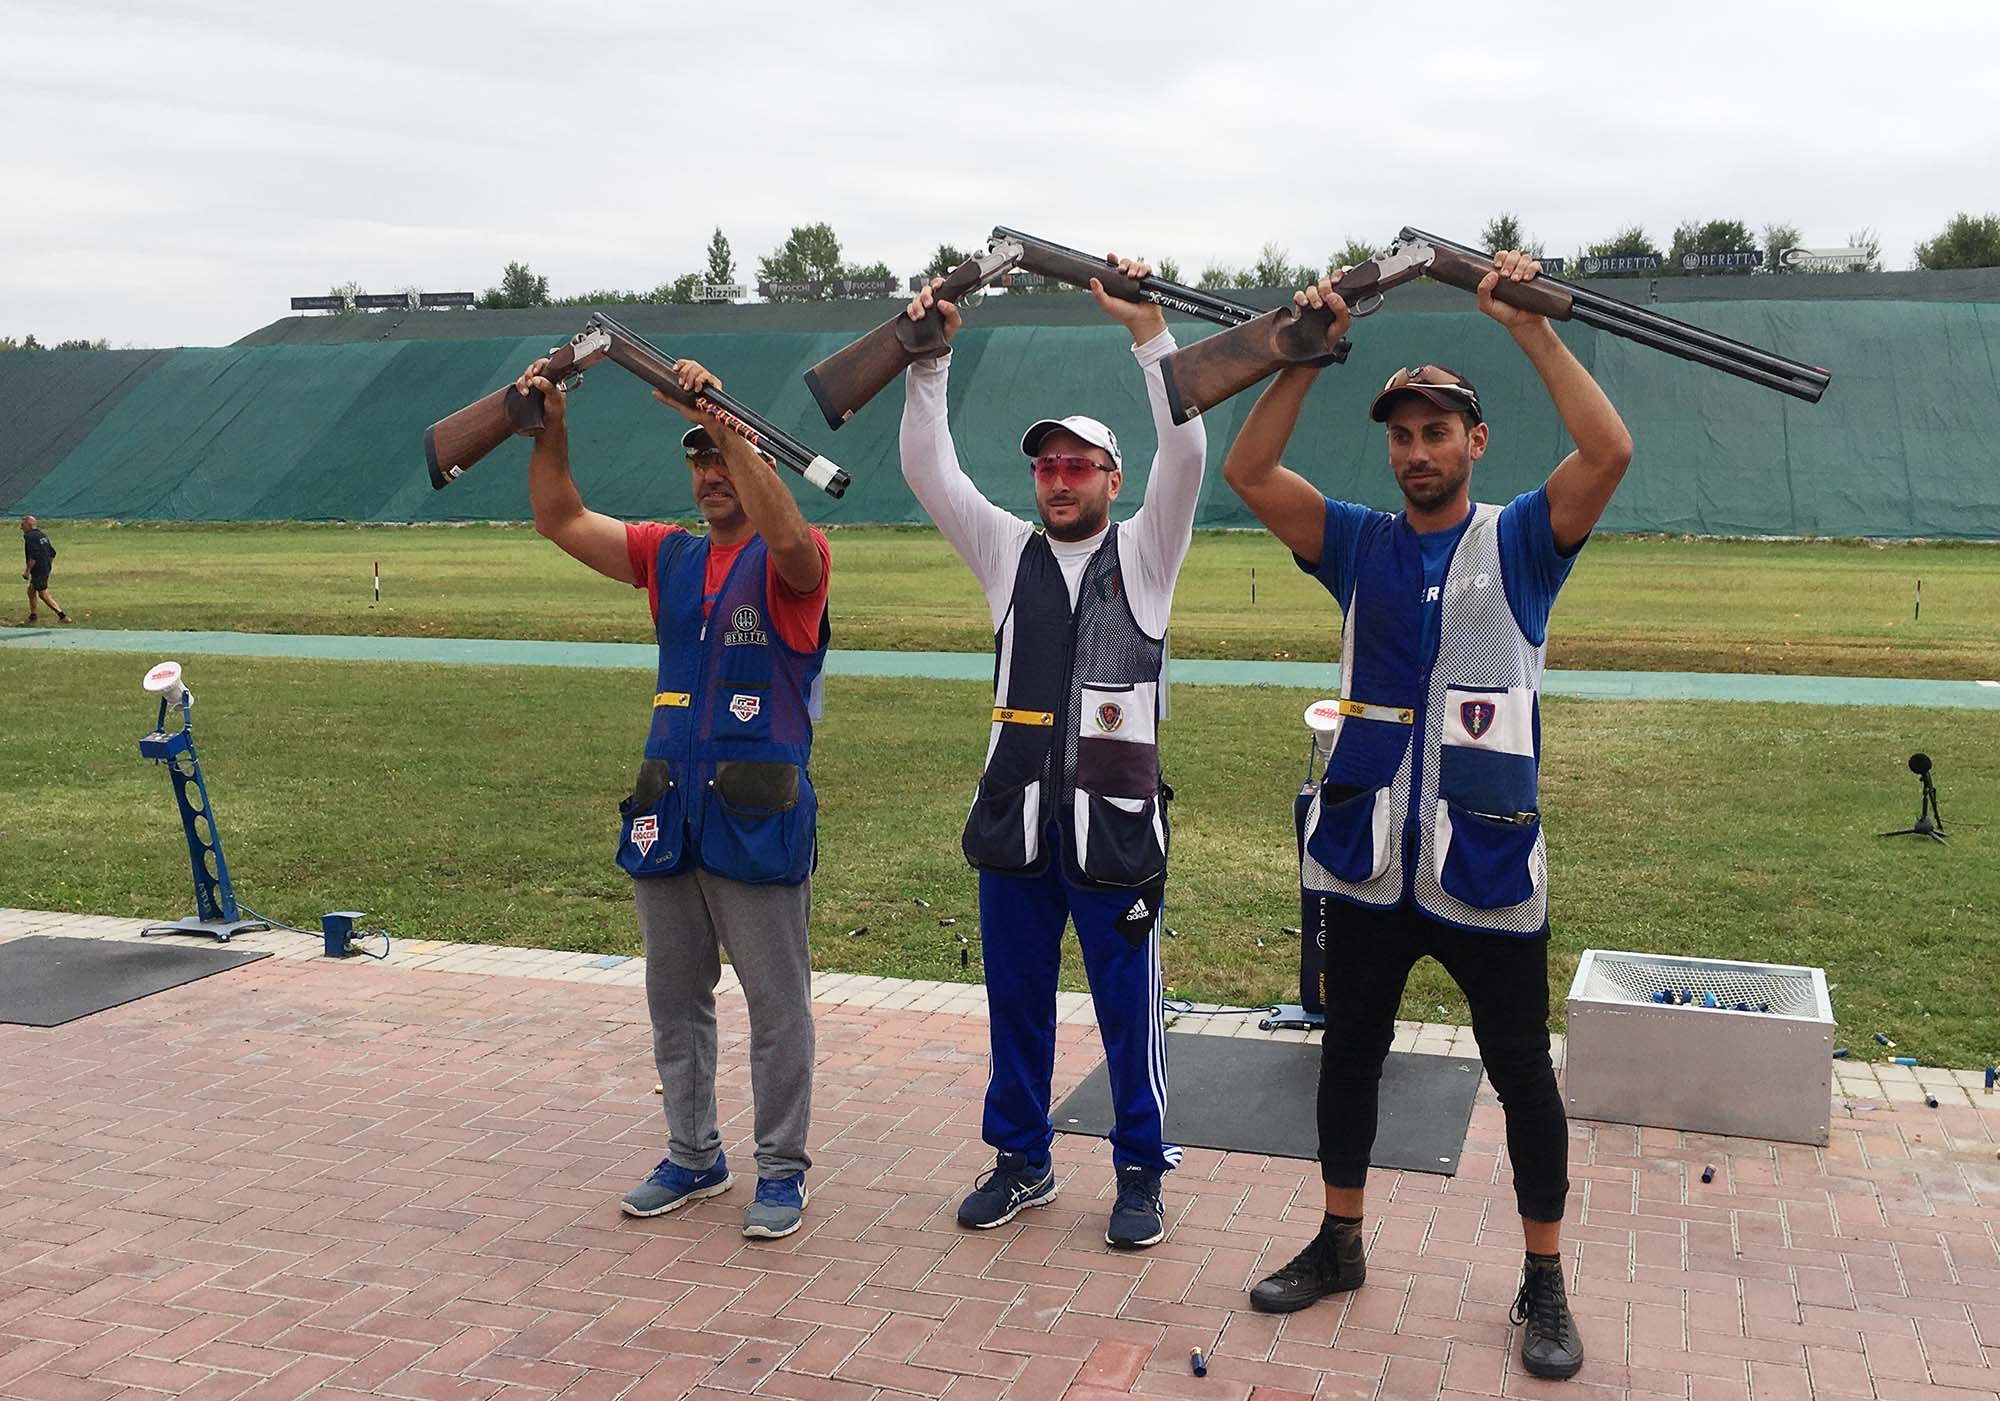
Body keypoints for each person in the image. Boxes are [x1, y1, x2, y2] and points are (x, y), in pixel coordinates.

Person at [1222, 252, 1633, 1381]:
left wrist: (1527, 325)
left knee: (1517, 1073)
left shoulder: (1519, 543)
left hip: (1484, 866)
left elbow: (1608, 452)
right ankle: (1339, 1240)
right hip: (1362, 859)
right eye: (1401, 435)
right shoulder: (1353, 542)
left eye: (1435, 432)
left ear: (1472, 442)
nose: (1415, 452)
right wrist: (1298, 357)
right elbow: (1249, 468)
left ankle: (1542, 1276)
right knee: (1347, 1056)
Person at [898, 256, 1207, 1250]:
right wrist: (927, 364)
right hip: (1014, 831)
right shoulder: (1004, 551)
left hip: (1114, 836)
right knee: (1015, 1008)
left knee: (1128, 1017)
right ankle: (1021, 1160)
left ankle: (1137, 1171)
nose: (1059, 480)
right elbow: (926, 469)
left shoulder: (1149, 552)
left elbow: (1189, 447)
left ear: (1112, 480)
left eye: (1078, 466)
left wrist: (1147, 331)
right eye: (1046, 465)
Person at [517, 352, 831, 1241]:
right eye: (697, 459)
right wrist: (553, 429)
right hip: (667, 811)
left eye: (721, 458)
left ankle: (781, 1170)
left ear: (751, 461)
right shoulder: (668, 554)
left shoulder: (793, 561)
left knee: (778, 1005)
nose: (708, 474)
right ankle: (693, 1155)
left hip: (755, 814)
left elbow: (791, 545)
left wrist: (734, 429)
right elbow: (559, 515)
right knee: (674, 999)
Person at [20, 516, 67, 623]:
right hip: (44, 567)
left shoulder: (29, 537)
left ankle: (62, 616)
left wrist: (27, 571)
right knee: (31, 591)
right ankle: (33, 616)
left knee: (42, 594)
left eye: (23, 525)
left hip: (38, 569)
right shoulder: (42, 535)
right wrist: (47, 565)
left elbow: (33, 555)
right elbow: (52, 552)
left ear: (29, 525)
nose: (21, 528)